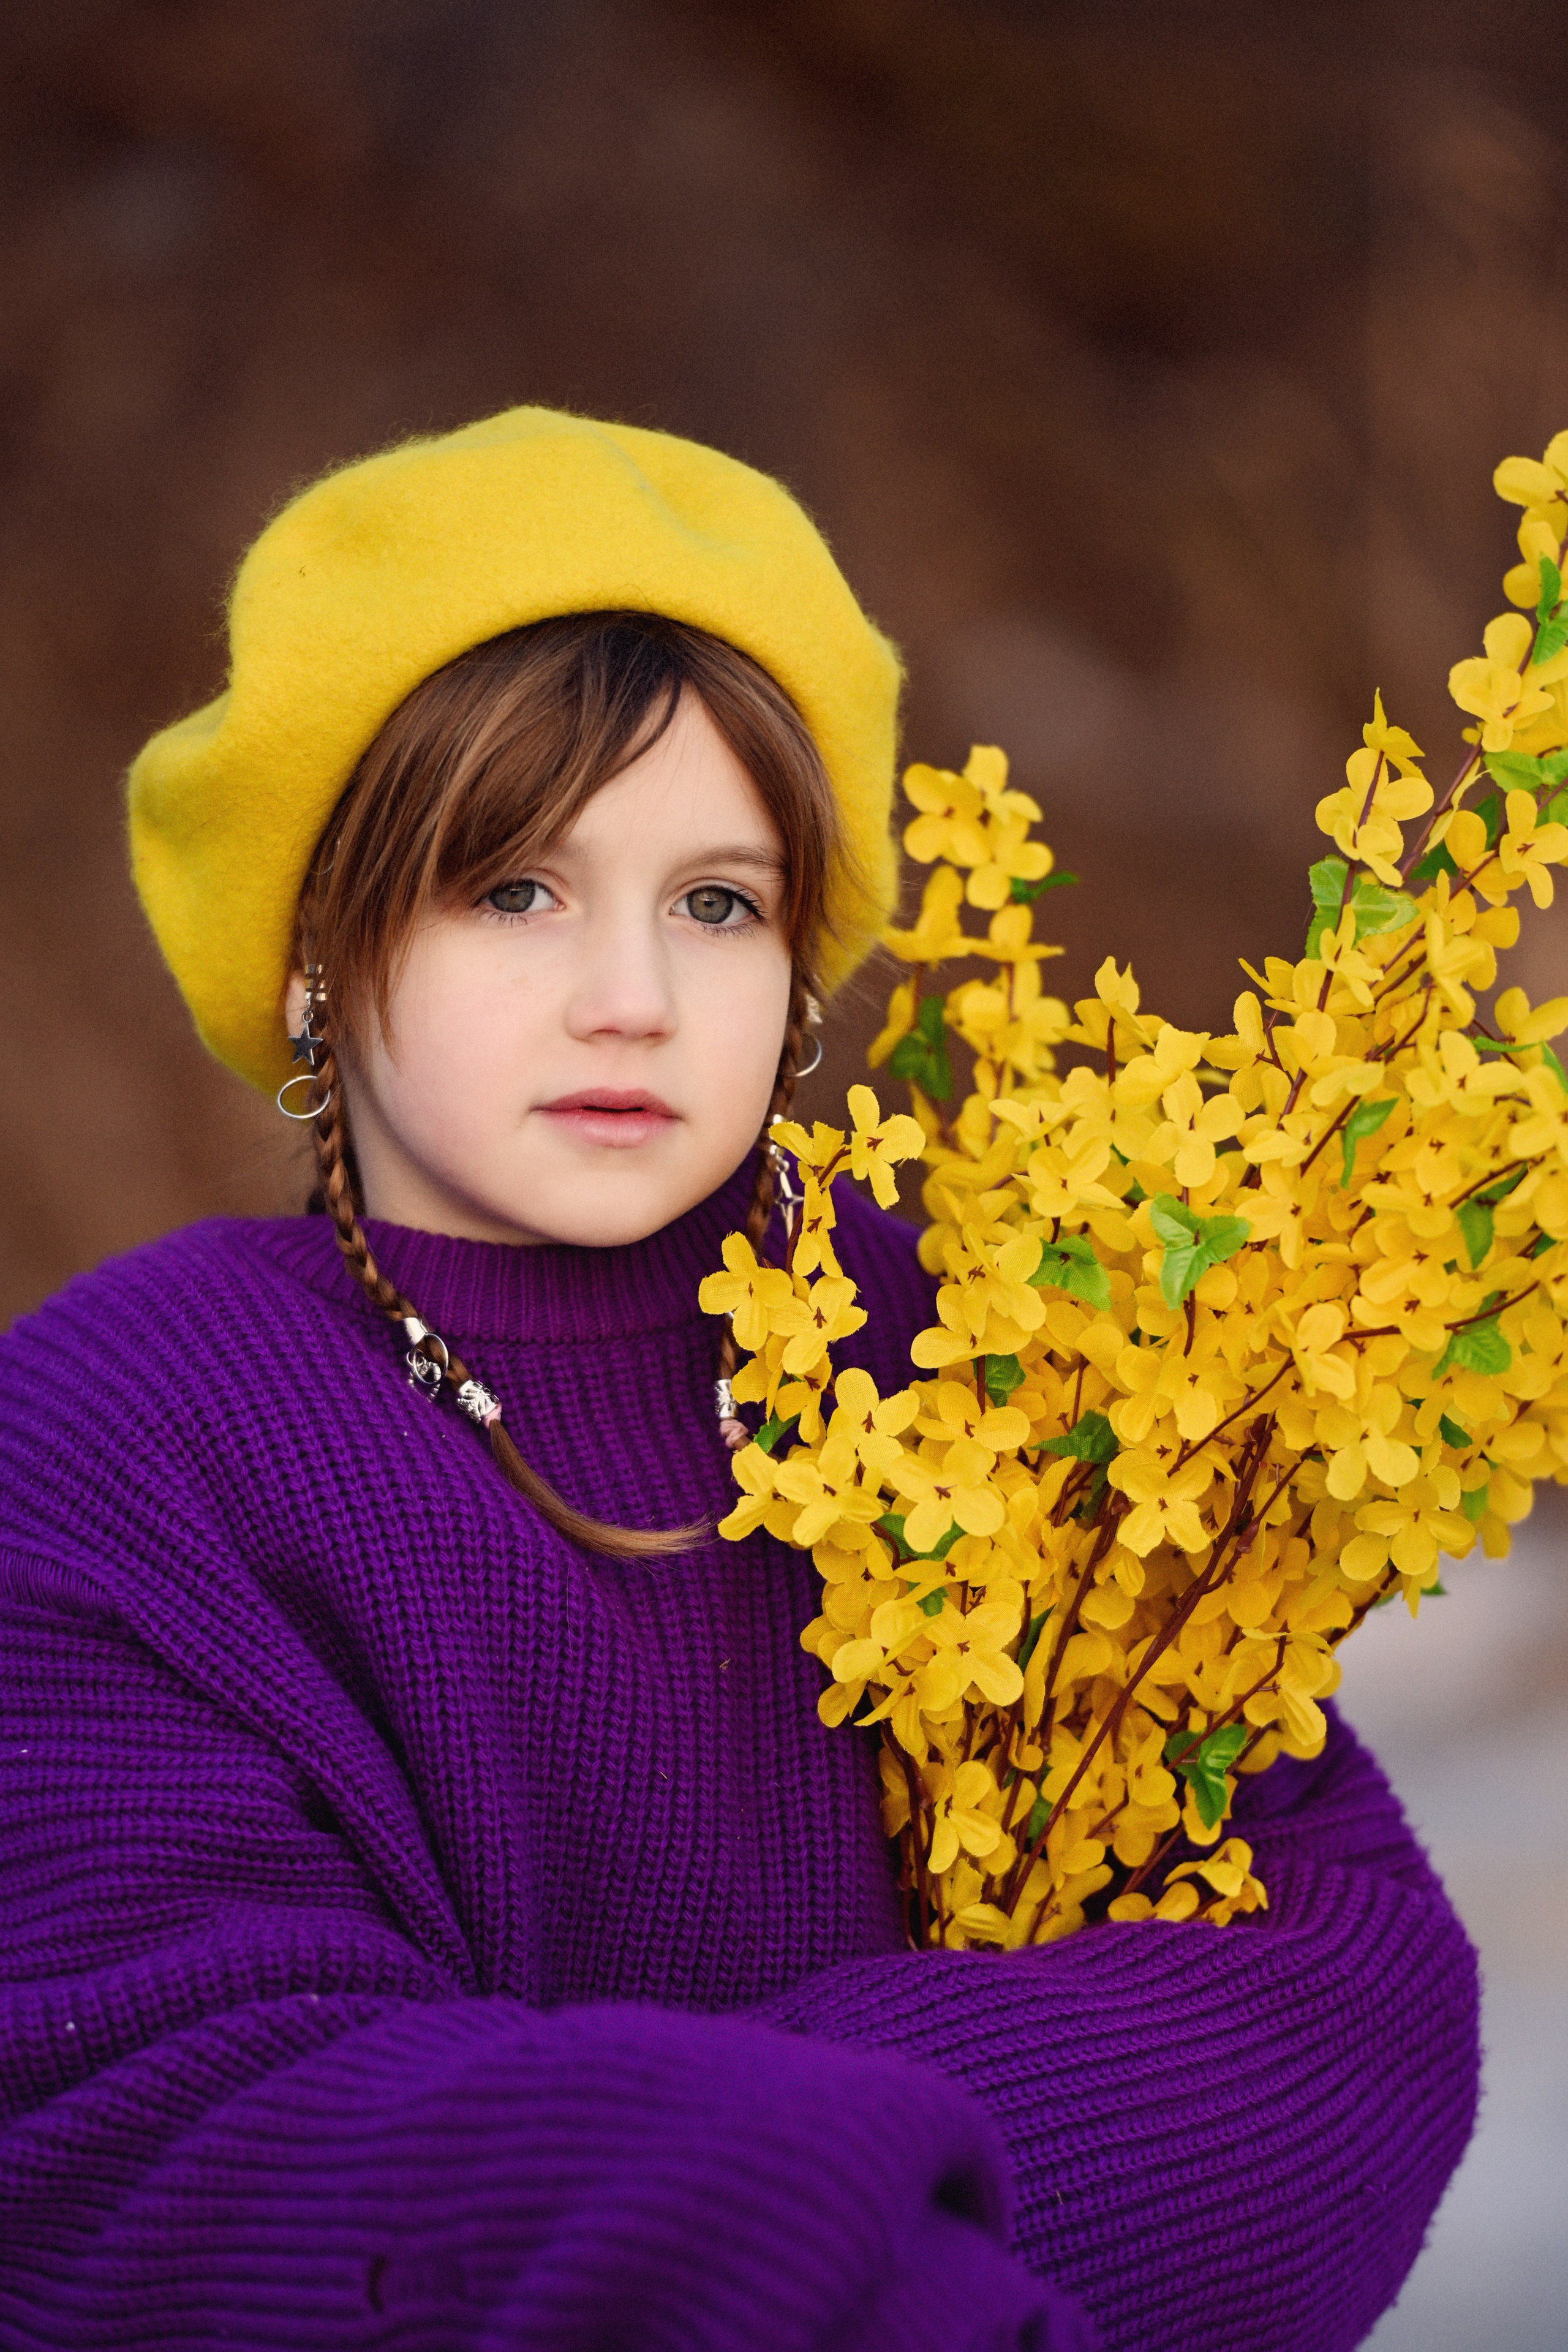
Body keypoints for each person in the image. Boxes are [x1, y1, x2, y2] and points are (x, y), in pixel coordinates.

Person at [0, 407, 1477, 2352]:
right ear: (304, 948)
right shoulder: (115, 1436)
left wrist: (763, 2158)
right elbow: (157, 2147)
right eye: (512, 889)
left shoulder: (982, 1341)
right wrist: (808, 2212)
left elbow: (1346, 1988)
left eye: (718, 901)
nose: (633, 991)